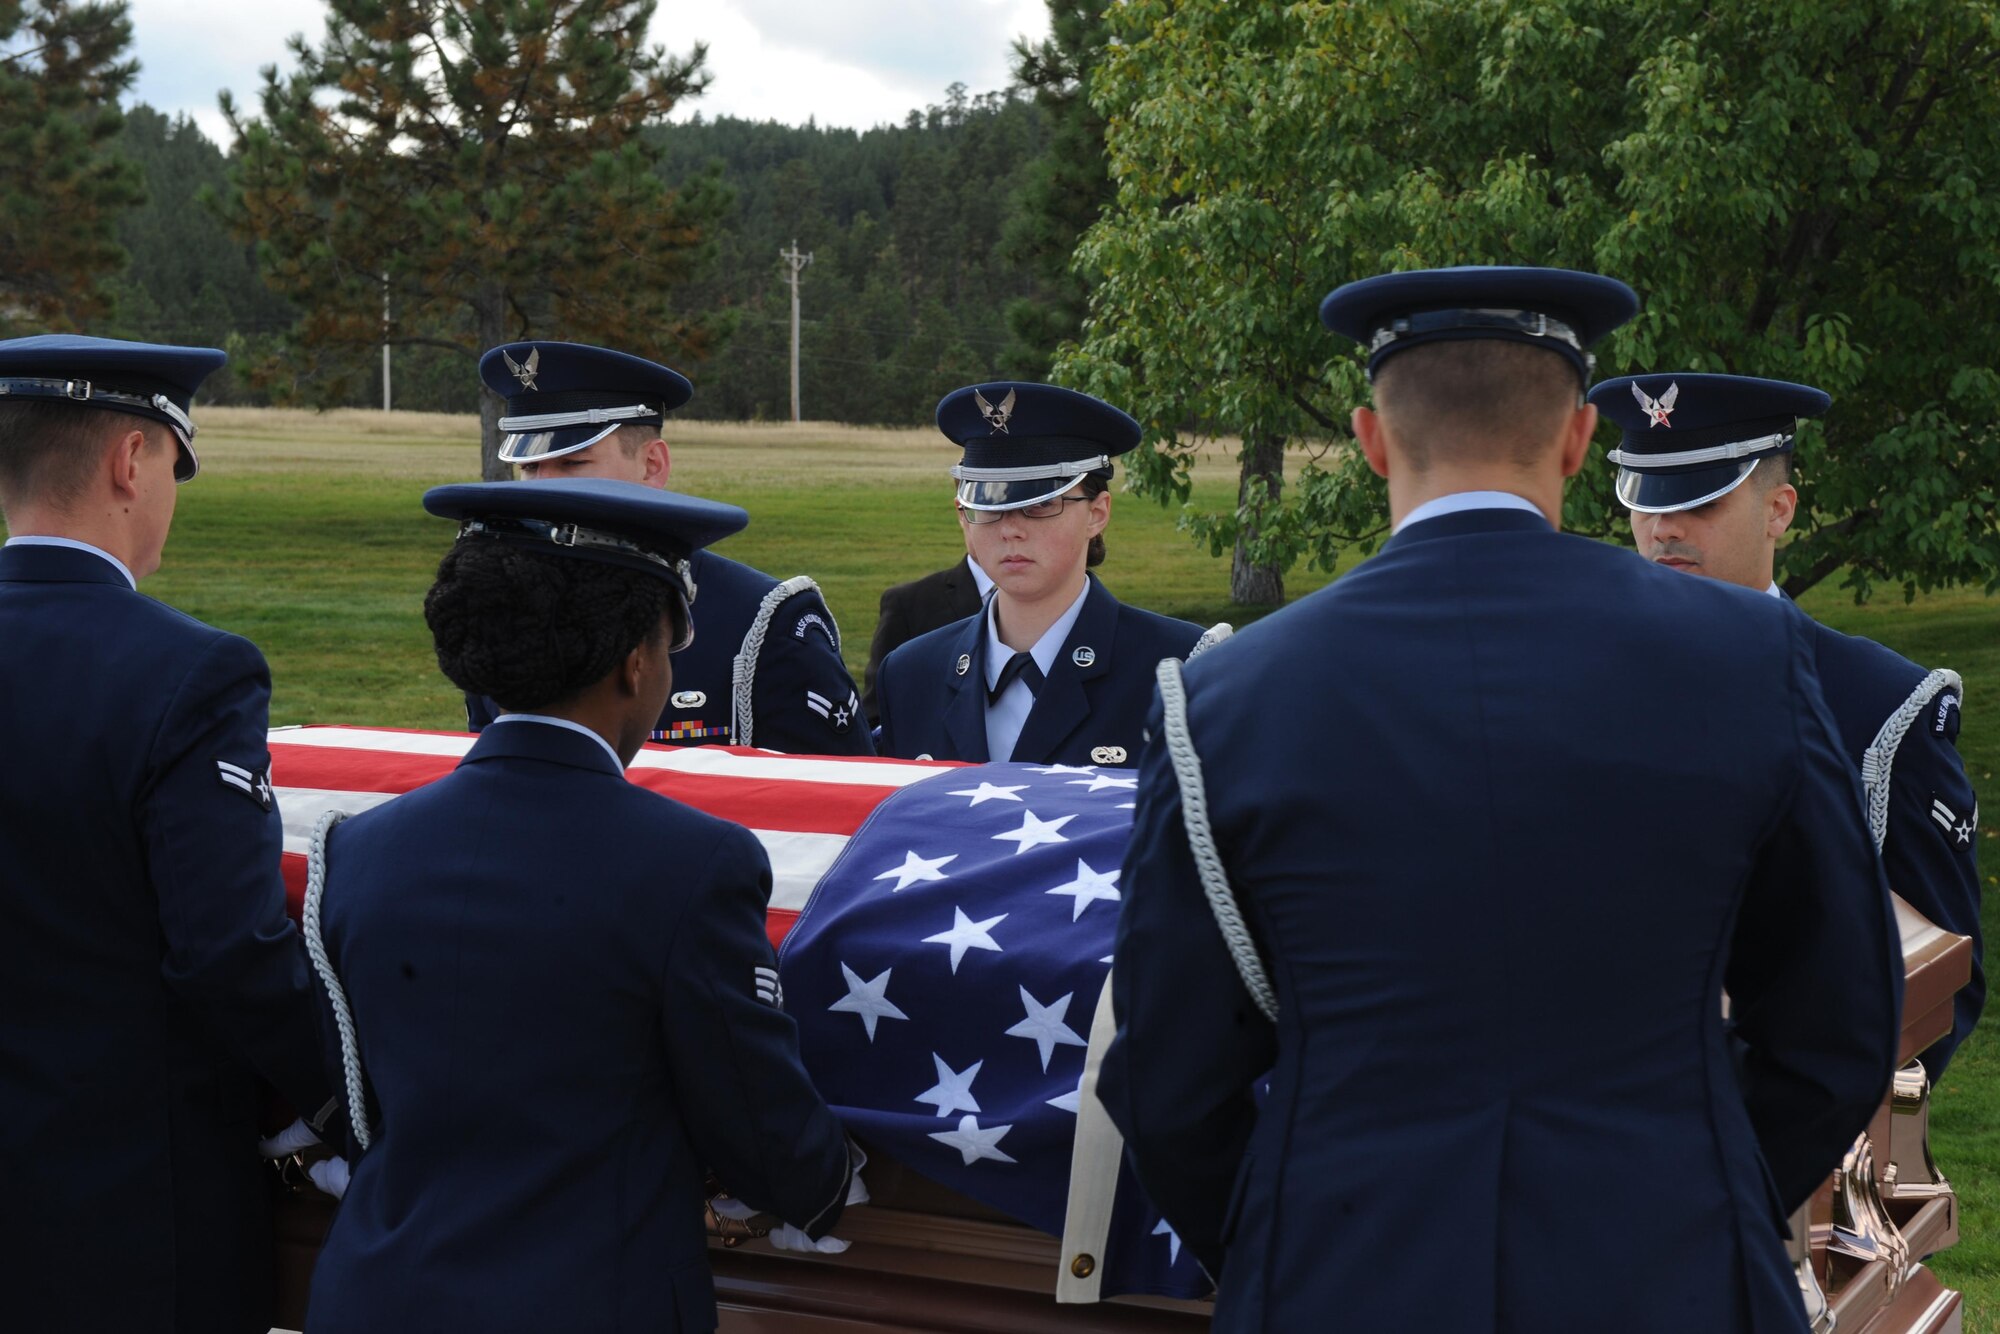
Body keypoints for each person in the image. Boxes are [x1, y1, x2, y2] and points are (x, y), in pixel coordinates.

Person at [1098, 268, 1903, 1333]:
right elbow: (1837, 1025)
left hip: (1339, 1279)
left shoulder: (1227, 694)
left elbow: (1168, 1080)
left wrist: (1290, 1241)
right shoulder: (1748, 654)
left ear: (1370, 441)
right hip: (1670, 1272)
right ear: (1576, 440)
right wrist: (1700, 1195)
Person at [304, 478, 861, 1334]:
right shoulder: (693, 864)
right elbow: (758, 1125)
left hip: (377, 1292)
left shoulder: (355, 849)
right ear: (636, 664)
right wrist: (832, 1180)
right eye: (670, 650)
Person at [0, 335, 340, 1333]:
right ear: (130, 460)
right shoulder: (189, 674)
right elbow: (229, 951)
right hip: (124, 1212)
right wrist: (347, 1095)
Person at [1594, 370, 1982, 1075]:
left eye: (1700, 500)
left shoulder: (1877, 703)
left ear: (1778, 510)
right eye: (1646, 501)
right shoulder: (1579, 680)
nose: (1664, 528)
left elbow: (1944, 983)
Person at [467, 340, 871, 754]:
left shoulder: (763, 622)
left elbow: (833, 799)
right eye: (530, 467)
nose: (542, 490)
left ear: (652, 466)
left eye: (573, 464)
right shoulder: (505, 605)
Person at [873, 382, 1216, 766]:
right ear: (963, 518)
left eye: (1040, 505)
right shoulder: (911, 674)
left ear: (1097, 514)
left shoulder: (1178, 669)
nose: (1011, 529)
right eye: (988, 507)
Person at [861, 552, 988, 726]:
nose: (1008, 530)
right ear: (962, 522)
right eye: (990, 521)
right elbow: (877, 713)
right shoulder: (908, 603)